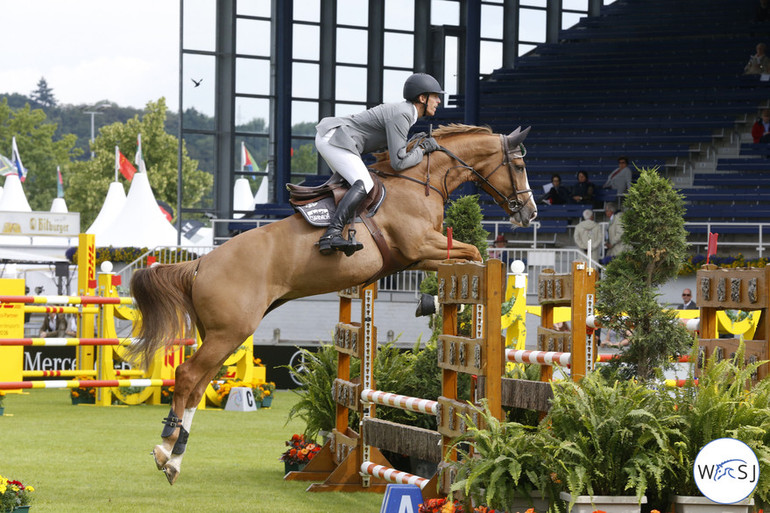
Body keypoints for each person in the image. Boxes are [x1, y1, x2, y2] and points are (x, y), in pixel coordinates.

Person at [314, 73, 445, 256]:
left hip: (334, 138)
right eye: (435, 96)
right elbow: (399, 163)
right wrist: (422, 150)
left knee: (353, 186)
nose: (439, 101)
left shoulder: (405, 113)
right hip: (335, 138)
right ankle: (331, 234)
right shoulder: (403, 114)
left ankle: (332, 228)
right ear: (422, 98)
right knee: (365, 183)